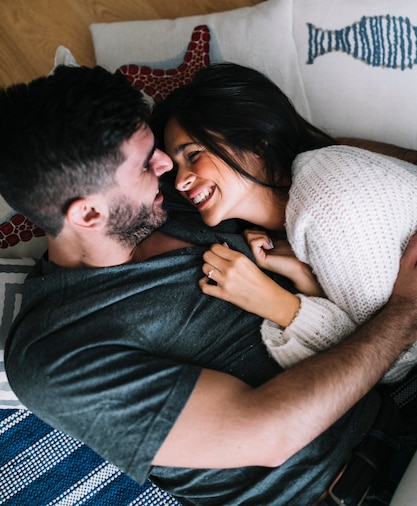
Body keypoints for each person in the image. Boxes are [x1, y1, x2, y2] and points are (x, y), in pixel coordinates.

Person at [2, 65, 417, 506]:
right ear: (88, 215)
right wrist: (406, 311)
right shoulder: (54, 350)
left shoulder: (168, 202)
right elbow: (269, 433)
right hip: (339, 492)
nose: (166, 166)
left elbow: (291, 149)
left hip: (399, 412)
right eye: (146, 164)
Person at [152, 62, 417, 384]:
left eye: (193, 155)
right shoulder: (313, 189)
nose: (179, 182)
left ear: (255, 141)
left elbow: (395, 362)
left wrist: (280, 305)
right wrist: (307, 280)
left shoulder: (327, 203)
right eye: (175, 167)